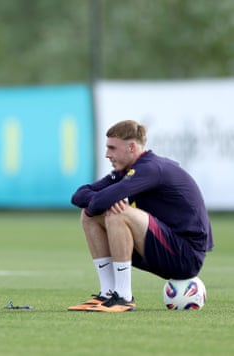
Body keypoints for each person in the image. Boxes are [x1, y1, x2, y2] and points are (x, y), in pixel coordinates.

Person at [67, 120, 213, 312]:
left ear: (132, 147)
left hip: (185, 256)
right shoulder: (128, 170)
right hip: (165, 249)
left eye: (112, 148)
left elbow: (100, 202)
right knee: (90, 216)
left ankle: (124, 297)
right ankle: (108, 293)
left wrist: (104, 200)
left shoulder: (151, 169)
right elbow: (78, 195)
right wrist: (100, 199)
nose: (107, 154)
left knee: (117, 213)